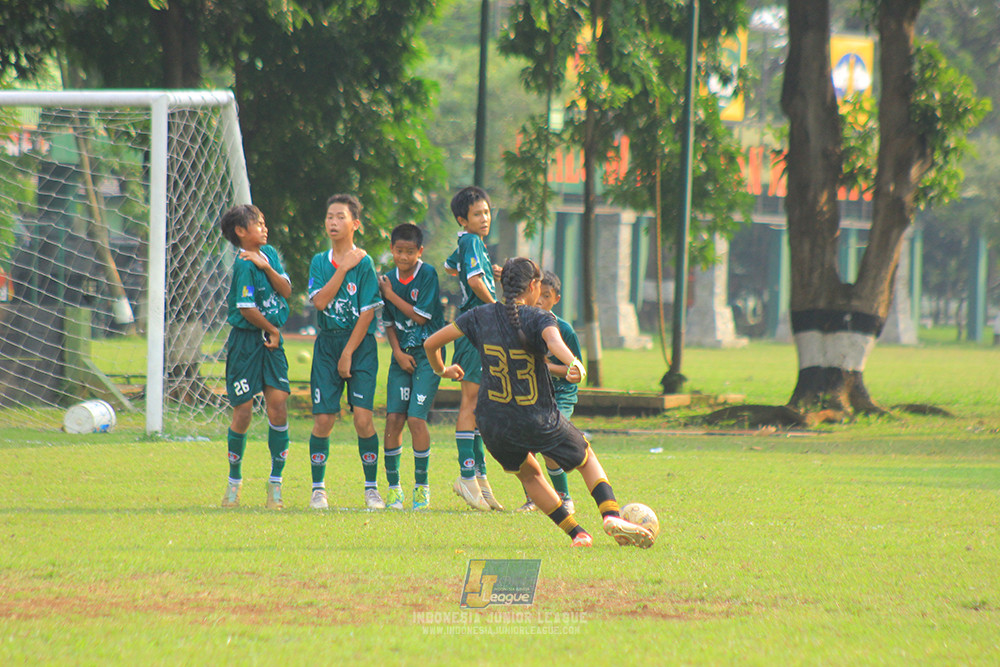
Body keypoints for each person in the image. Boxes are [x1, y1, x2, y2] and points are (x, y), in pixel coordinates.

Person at [423, 257, 654, 548]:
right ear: (533, 285)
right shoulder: (539, 317)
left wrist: (442, 369)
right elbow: (556, 344)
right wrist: (573, 363)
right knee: (586, 458)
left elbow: (430, 344)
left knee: (530, 475)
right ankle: (609, 514)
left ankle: (578, 534)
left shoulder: (478, 315)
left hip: (493, 424)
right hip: (536, 417)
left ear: (502, 285)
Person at [306, 194, 384, 510]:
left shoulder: (364, 263)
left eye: (340, 216)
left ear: (355, 224)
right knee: (324, 418)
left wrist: (349, 352)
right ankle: (318, 489)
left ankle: (371, 489)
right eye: (329, 216)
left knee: (363, 420)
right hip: (327, 344)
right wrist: (343, 267)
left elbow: (367, 312)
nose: (333, 222)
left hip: (359, 346)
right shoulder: (319, 262)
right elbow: (321, 302)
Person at [219, 204, 292, 510]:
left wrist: (267, 266)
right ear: (240, 232)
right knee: (244, 412)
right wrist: (271, 329)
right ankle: (234, 483)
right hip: (247, 343)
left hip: (271, 343)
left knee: (277, 407)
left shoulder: (268, 255)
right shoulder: (242, 265)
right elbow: (247, 309)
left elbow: (286, 290)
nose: (265, 228)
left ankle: (275, 483)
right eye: (259, 224)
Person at [444, 186, 504, 511]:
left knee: (479, 404)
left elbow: (452, 267)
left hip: (478, 328)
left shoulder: (473, 244)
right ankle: (466, 477)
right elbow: (474, 282)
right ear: (462, 220)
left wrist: (486, 272)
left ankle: (479, 478)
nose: (484, 219)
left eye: (486, 212)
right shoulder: (469, 240)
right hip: (474, 327)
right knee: (470, 401)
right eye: (477, 214)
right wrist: (497, 306)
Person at [378, 223, 445, 510]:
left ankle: (422, 489)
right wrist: (397, 352)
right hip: (401, 356)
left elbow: (420, 318)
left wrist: (391, 295)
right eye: (398, 251)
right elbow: (389, 323)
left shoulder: (426, 275)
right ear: (392, 249)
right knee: (394, 419)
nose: (403, 257)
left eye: (409, 252)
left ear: (420, 252)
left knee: (416, 419)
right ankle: (394, 490)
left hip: (428, 354)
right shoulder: (386, 278)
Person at [516, 271, 581, 514]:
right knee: (523, 447)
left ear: (557, 299)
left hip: (561, 394)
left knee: (550, 442)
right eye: (538, 294)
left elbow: (573, 370)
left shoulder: (564, 330)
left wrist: (545, 365)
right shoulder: (523, 324)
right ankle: (534, 498)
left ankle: (564, 498)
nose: (541, 300)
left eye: (547, 296)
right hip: (534, 394)